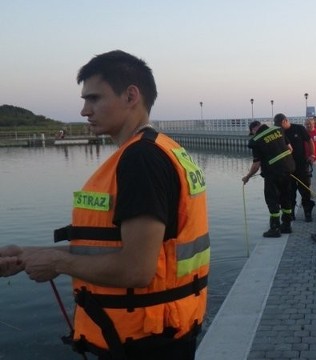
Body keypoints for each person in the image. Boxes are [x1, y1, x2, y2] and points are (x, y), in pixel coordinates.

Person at [0, 50, 210, 360]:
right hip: (156, 337)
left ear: (131, 96)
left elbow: (136, 269)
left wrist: (56, 264)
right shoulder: (162, 149)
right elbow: (108, 249)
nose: (85, 111)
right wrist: (28, 255)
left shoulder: (141, 160)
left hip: (144, 343)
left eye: (94, 98)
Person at [243, 119, 296, 236]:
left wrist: (247, 177)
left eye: (252, 132)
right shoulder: (278, 130)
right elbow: (290, 149)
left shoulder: (255, 140)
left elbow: (256, 165)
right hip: (288, 169)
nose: (253, 135)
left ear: (254, 130)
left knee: (272, 199)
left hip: (273, 174)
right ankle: (287, 225)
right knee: (286, 196)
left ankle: (275, 228)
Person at [273, 113, 316, 222]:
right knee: (289, 191)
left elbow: (309, 141)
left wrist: (312, 155)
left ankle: (307, 212)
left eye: (280, 125)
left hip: (301, 165)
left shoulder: (299, 128)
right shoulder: (278, 132)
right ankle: (290, 214)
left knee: (305, 190)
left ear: (285, 121)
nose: (279, 127)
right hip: (287, 167)